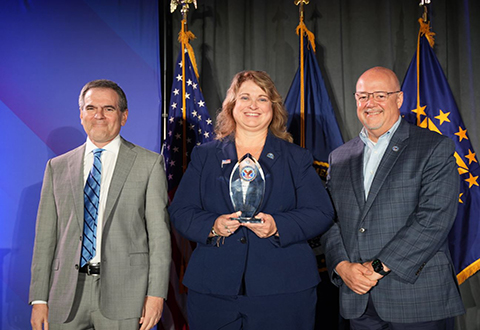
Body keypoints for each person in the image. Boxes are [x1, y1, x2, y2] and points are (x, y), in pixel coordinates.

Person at [168, 70, 334, 330]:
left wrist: (278, 225)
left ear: (273, 107)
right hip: (214, 290)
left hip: (284, 290)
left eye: (262, 98)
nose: (253, 106)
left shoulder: (296, 157)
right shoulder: (205, 155)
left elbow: (320, 212)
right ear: (232, 105)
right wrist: (212, 224)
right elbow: (181, 210)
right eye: (245, 97)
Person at [321, 67, 465, 329]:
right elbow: (328, 218)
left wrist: (376, 268)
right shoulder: (339, 157)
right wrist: (342, 266)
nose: (370, 103)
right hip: (358, 298)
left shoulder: (433, 147)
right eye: (363, 96)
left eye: (380, 95)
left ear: (398, 99)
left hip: (417, 297)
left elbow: (434, 219)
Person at [29, 80, 171, 330]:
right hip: (65, 295)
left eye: (109, 108)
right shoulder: (57, 167)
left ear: (124, 116)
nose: (99, 115)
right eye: (91, 108)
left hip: (126, 294)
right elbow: (45, 239)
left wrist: (156, 295)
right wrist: (39, 298)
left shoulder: (149, 164)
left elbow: (159, 238)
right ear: (81, 114)